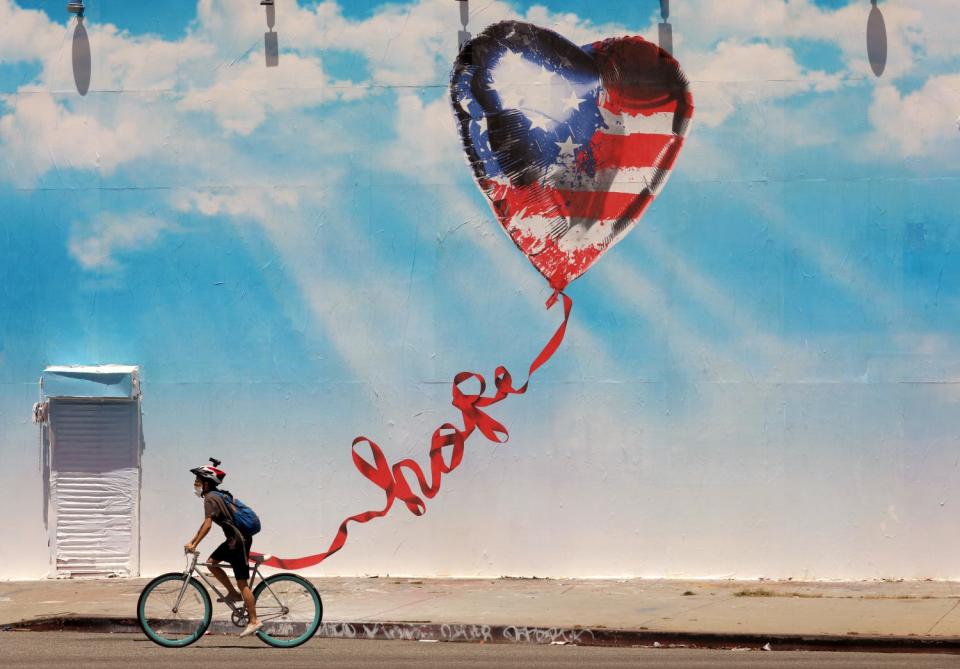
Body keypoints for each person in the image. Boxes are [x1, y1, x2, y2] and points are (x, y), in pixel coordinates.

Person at [184, 459, 262, 638]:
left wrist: (194, 543)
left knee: (242, 582)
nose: (195, 485)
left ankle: (254, 620)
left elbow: (207, 524)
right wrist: (193, 541)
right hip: (234, 540)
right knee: (212, 563)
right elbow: (205, 524)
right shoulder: (218, 495)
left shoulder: (211, 498)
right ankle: (233, 594)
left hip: (238, 541)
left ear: (206, 482)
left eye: (197, 481)